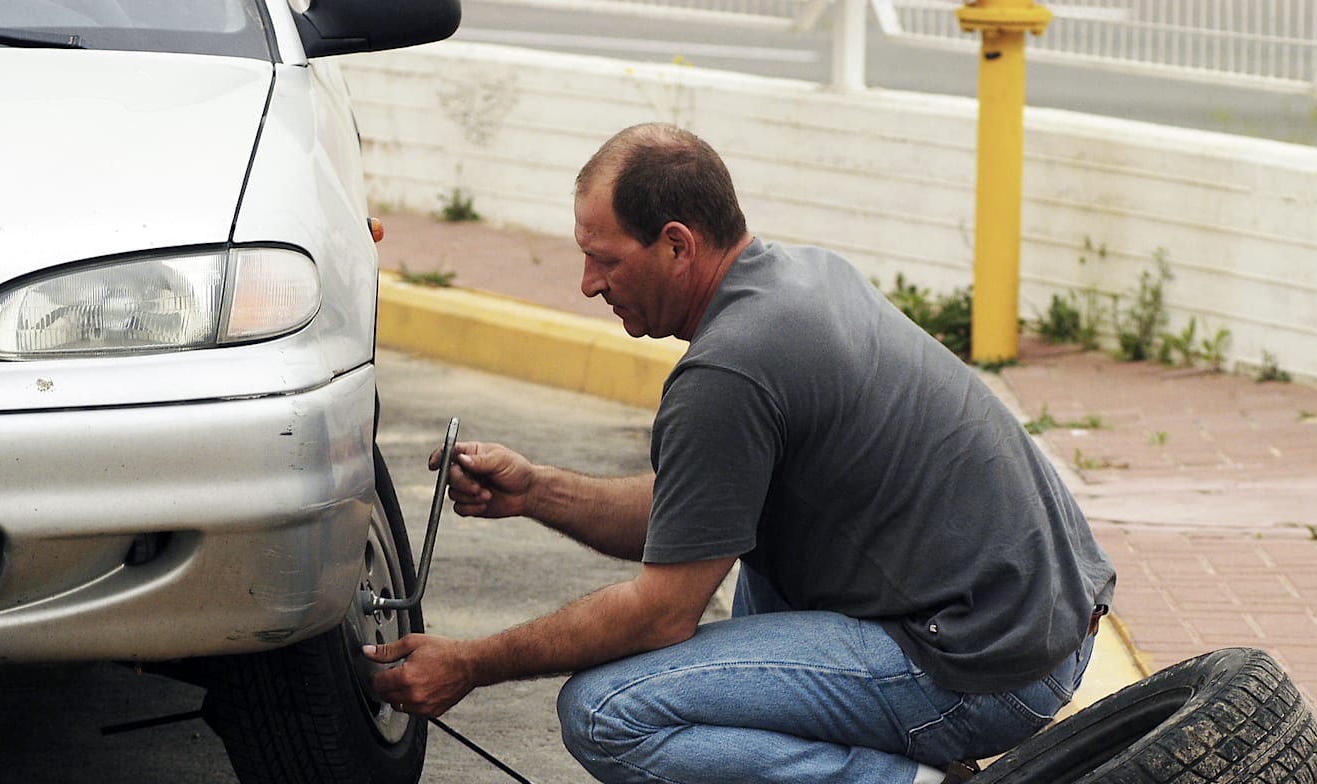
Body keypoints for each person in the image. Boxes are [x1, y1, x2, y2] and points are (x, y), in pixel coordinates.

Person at [365, 122, 1116, 784]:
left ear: (677, 245)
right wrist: (536, 492)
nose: (589, 284)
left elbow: (660, 613)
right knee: (744, 561)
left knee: (605, 712)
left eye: (605, 260)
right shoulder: (798, 276)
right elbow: (691, 512)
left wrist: (470, 663)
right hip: (1040, 620)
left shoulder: (729, 371)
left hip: (984, 670)